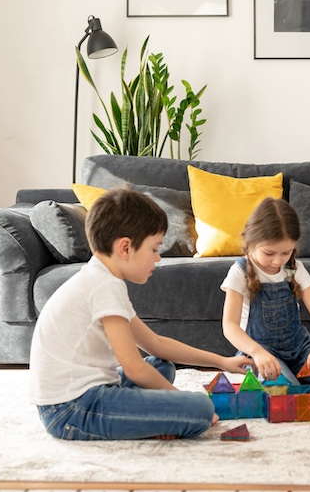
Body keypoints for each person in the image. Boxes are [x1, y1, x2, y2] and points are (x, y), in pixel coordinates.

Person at [29, 187, 253, 441]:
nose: (157, 259)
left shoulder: (100, 278)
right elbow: (134, 369)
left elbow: (155, 344)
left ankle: (154, 419)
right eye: (154, 249)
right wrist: (179, 402)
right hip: (72, 410)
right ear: (125, 247)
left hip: (78, 397)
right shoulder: (104, 286)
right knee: (199, 409)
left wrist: (221, 361)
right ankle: (163, 421)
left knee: (160, 366)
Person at [221, 197, 310, 397]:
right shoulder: (239, 272)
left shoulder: (295, 269)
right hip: (261, 352)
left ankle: (296, 375)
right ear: (251, 243)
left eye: (286, 253)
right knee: (285, 394)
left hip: (299, 348)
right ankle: (284, 378)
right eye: (269, 253)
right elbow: (230, 326)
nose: (277, 261)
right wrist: (257, 352)